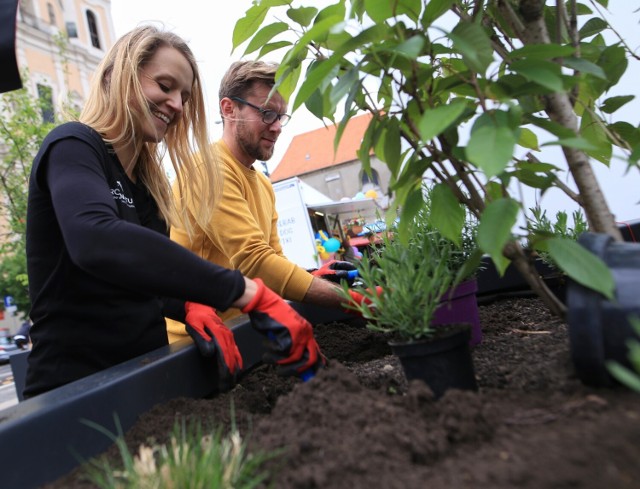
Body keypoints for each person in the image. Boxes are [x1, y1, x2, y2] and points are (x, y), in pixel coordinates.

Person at [24, 26, 323, 398]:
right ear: (117, 76)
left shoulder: (147, 183)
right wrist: (245, 292)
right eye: (165, 86)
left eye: (184, 95)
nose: (178, 105)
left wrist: (186, 304)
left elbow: (141, 276)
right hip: (74, 391)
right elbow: (95, 239)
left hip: (145, 376)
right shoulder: (73, 145)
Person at [167, 60, 370, 342]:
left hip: (245, 330)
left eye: (281, 117)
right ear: (229, 109)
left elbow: (272, 260)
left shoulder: (262, 183)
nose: (276, 128)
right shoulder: (208, 170)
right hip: (198, 344)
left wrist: (313, 275)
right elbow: (255, 262)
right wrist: (357, 300)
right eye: (266, 113)